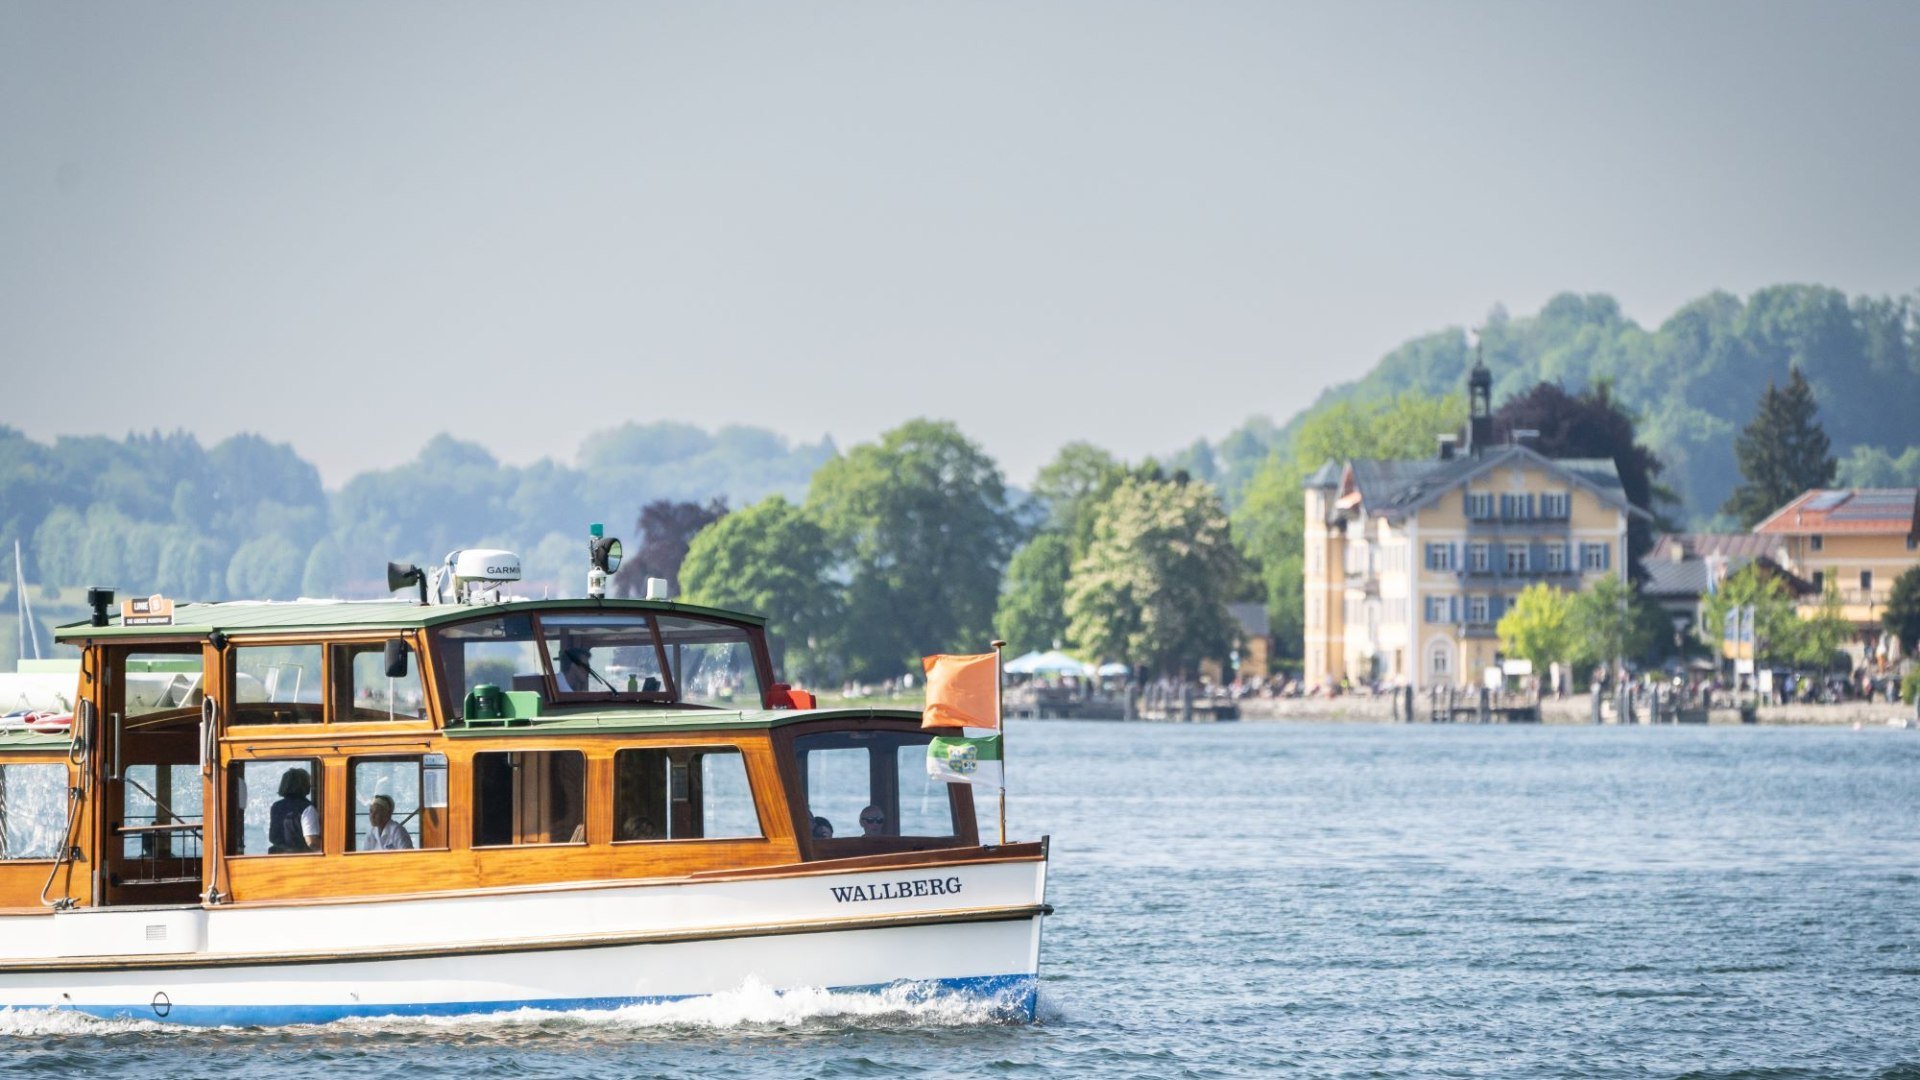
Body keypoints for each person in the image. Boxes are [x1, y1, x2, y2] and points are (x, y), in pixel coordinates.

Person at [269, 767, 321, 854]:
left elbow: (273, 837)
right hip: (300, 859)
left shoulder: (276, 806)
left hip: (277, 856)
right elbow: (311, 842)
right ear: (305, 785)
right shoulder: (307, 808)